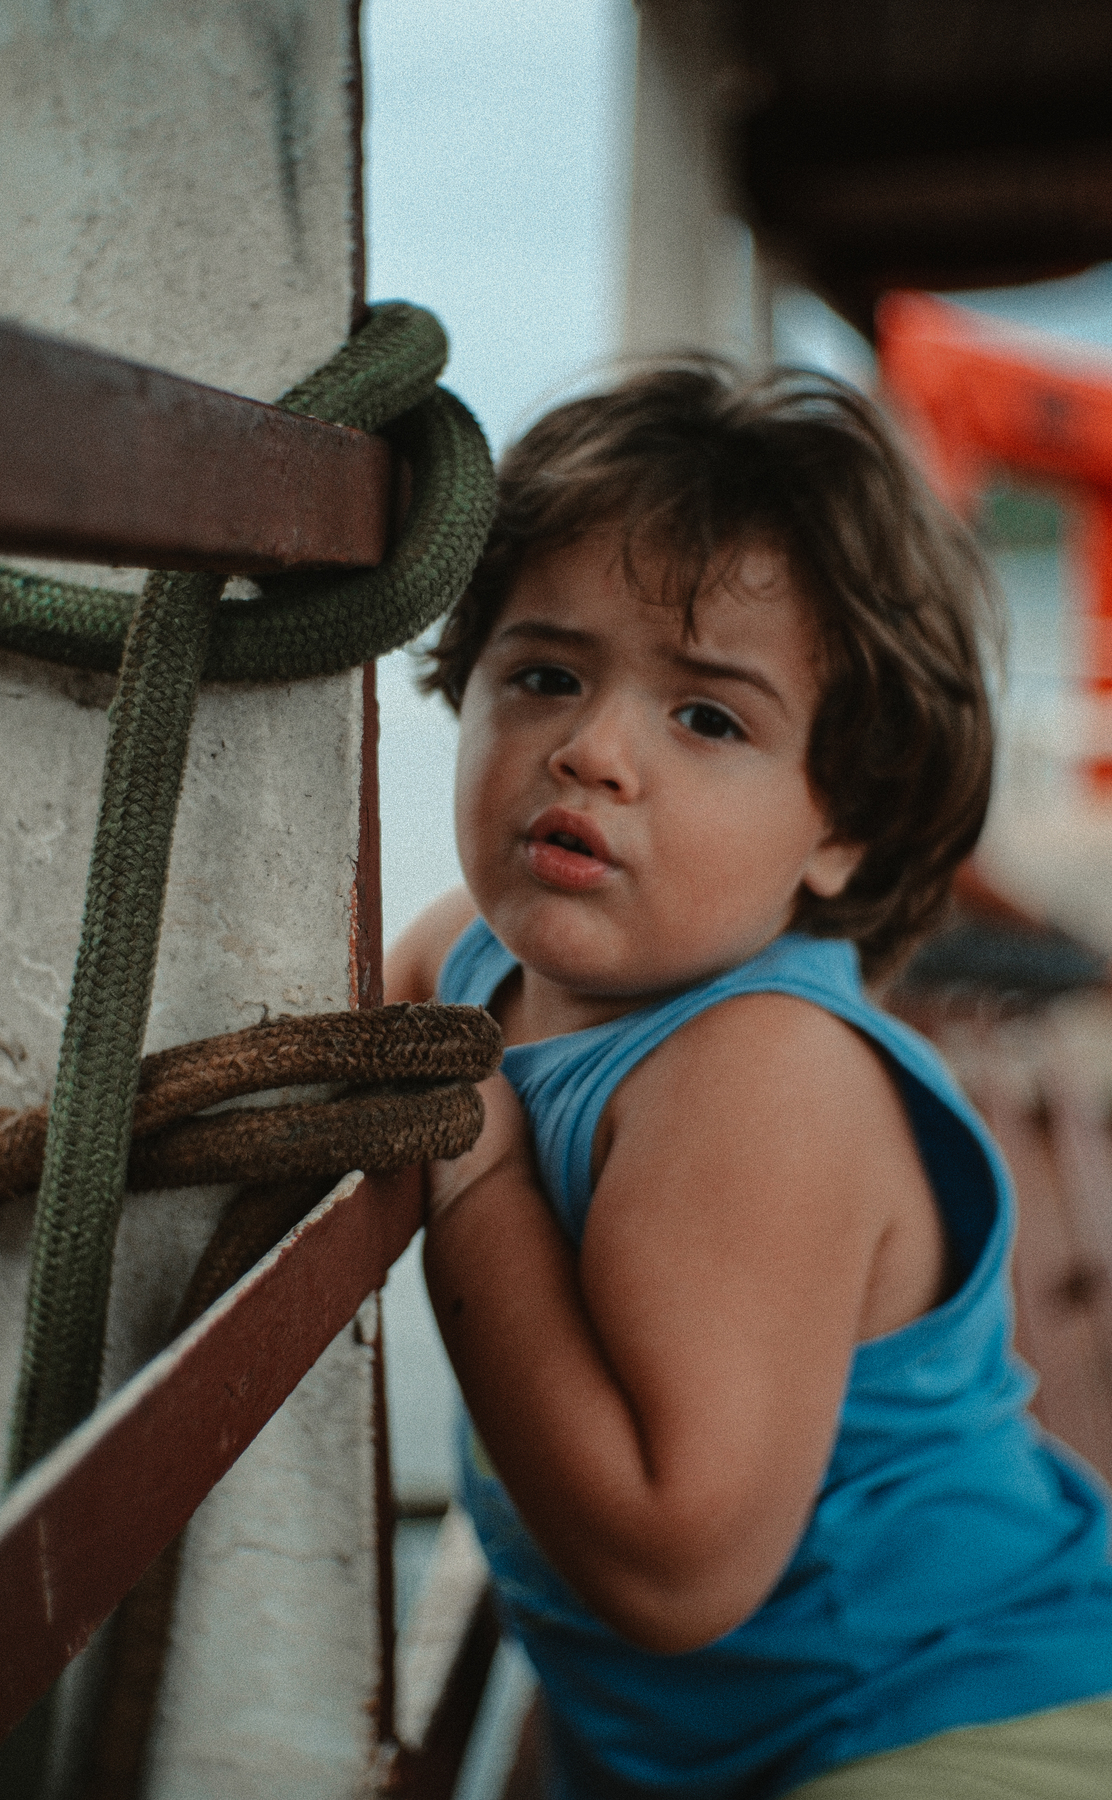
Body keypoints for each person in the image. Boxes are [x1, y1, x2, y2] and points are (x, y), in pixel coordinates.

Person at [384, 360, 1112, 1799]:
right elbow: (344, 1016)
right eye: (545, 675)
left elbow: (674, 1570)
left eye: (709, 719)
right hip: (717, 1741)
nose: (591, 750)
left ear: (839, 828)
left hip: (954, 1723)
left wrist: (470, 1170)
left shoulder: (760, 1069)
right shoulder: (466, 955)